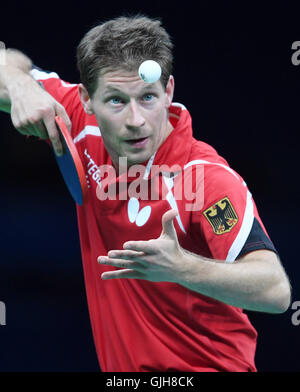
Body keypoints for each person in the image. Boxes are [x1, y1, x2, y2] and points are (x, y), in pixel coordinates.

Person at [0, 15, 291, 372]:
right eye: (117, 101)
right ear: (86, 99)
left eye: (148, 97)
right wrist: (20, 87)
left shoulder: (206, 180)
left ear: (168, 90)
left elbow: (275, 290)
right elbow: (7, 60)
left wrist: (182, 267)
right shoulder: (76, 122)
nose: (135, 119)